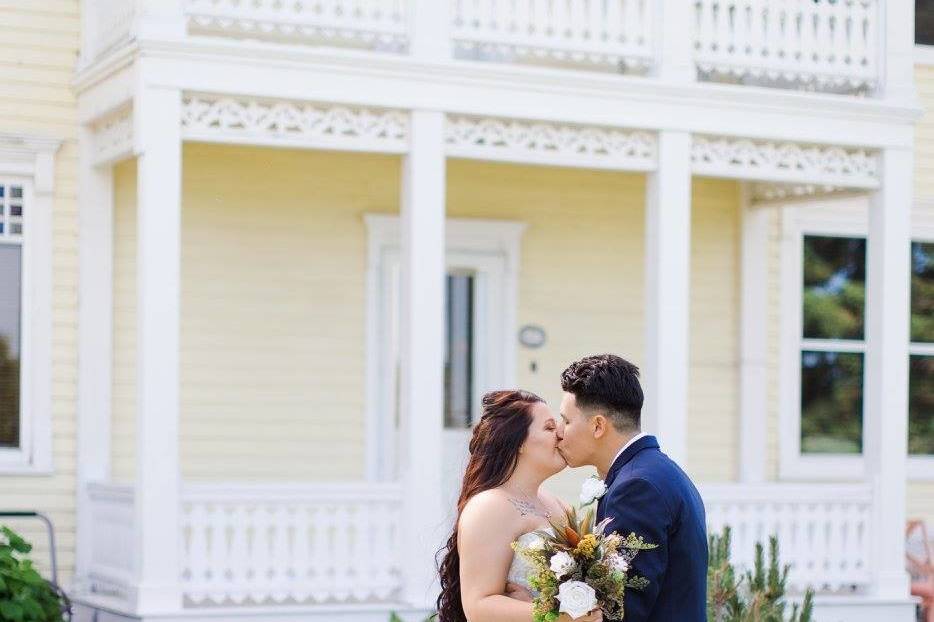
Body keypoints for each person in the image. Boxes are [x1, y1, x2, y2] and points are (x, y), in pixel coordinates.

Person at [556, 354, 708, 621]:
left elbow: (624, 608)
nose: (559, 432)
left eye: (567, 421)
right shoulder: (655, 470)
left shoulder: (637, 488)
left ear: (598, 425)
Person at [435, 389, 602, 622]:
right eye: (549, 428)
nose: (561, 434)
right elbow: (479, 605)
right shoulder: (490, 506)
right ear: (518, 442)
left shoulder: (559, 505)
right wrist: (558, 618)